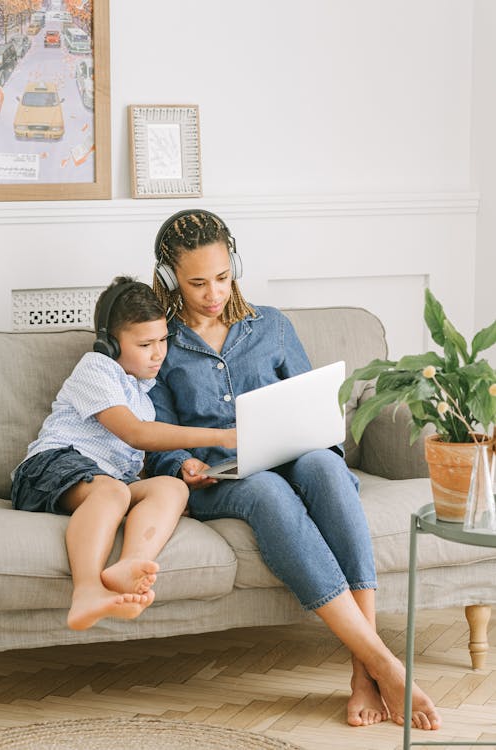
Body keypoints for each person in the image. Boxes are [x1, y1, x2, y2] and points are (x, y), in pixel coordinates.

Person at [145, 209, 442, 731]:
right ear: (171, 279)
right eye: (197, 283)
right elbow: (158, 439)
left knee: (324, 470)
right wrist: (184, 463)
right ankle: (384, 662)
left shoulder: (273, 326)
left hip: (293, 455)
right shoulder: (161, 344)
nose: (213, 293)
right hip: (223, 478)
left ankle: (362, 670)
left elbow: (316, 411)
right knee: (267, 494)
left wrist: (314, 431)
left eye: (221, 277)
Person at [11, 276, 236, 632]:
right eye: (146, 344)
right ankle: (86, 591)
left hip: (105, 481)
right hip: (49, 468)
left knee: (171, 489)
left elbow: (140, 453)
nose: (158, 353)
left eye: (163, 340)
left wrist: (185, 465)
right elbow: (136, 433)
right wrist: (222, 437)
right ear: (109, 345)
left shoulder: (143, 394)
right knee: (112, 491)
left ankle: (131, 565)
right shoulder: (96, 369)